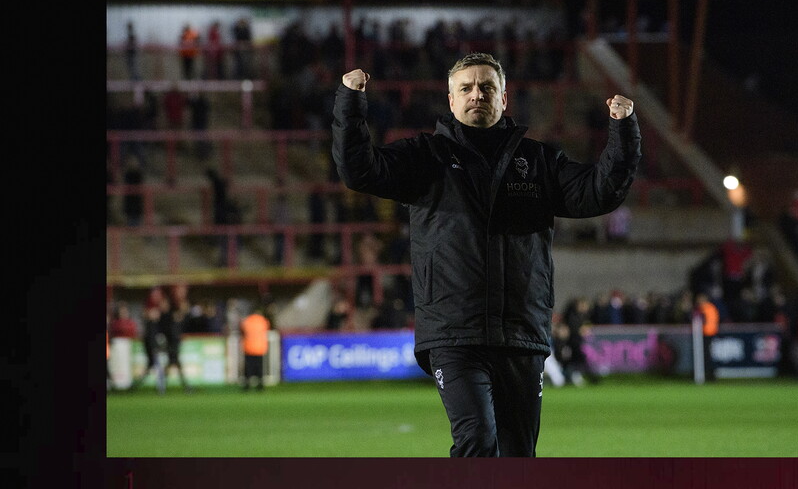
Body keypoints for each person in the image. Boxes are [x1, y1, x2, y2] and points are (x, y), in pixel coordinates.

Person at [331, 52, 641, 457]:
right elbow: (360, 169)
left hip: (520, 334)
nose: (477, 94)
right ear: (451, 99)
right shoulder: (427, 157)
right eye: (466, 88)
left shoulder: (539, 161)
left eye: (486, 87)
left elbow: (600, 192)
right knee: (477, 440)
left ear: (504, 98)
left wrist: (623, 133)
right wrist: (350, 101)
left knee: (517, 456)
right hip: (453, 333)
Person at [240, 305, 271, 391]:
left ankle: (247, 385)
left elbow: (242, 330)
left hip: (248, 347)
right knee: (259, 368)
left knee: (248, 368)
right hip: (259, 348)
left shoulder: (247, 321)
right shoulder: (263, 321)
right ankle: (260, 385)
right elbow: (268, 328)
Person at [694, 292, 719, 381]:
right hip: (710, 333)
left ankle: (708, 375)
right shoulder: (712, 307)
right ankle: (710, 374)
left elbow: (701, 321)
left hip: (705, 334)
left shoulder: (704, 309)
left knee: (706, 356)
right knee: (708, 355)